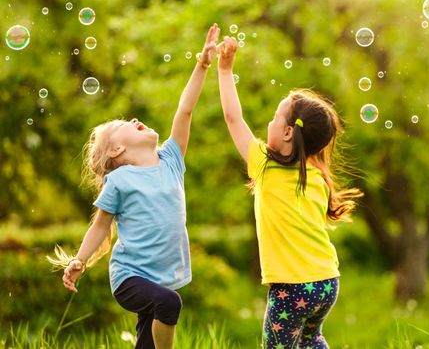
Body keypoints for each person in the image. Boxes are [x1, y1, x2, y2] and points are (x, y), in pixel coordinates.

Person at [47, 24, 221, 349]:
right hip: (130, 278)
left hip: (160, 275)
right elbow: (100, 226)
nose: (132, 120)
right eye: (122, 125)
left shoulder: (170, 159)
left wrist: (203, 65)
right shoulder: (120, 180)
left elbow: (185, 110)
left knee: (147, 340)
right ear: (117, 151)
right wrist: (80, 260)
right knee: (169, 304)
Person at [217, 36, 362, 348]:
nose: (268, 122)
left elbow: (233, 118)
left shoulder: (265, 166)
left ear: (286, 132)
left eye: (274, 118)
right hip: (327, 282)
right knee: (312, 339)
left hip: (292, 289)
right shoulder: (318, 176)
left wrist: (225, 71)